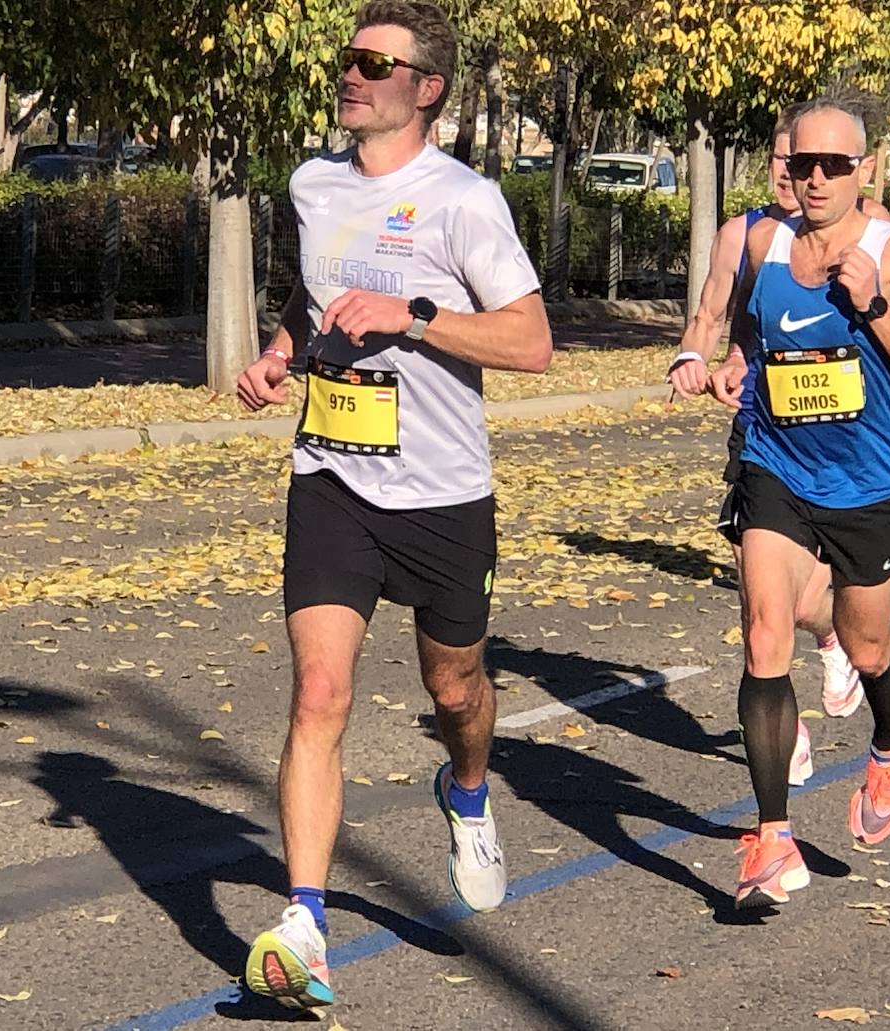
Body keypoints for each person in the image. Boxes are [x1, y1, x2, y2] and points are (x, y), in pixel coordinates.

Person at [235, 0, 550, 1012]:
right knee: (319, 692)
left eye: (378, 63)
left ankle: (465, 789)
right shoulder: (313, 184)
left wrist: (415, 317)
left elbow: (532, 342)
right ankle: (305, 922)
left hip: (443, 493)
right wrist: (284, 349)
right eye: (350, 58)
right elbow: (313, 290)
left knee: (455, 689)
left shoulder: (464, 201)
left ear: (427, 90)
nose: (354, 75)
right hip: (332, 475)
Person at [714, 98, 890, 908]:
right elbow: (750, 332)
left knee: (867, 644)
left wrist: (875, 308)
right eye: (801, 164)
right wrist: (735, 364)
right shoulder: (763, 242)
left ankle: (888, 744)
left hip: (869, 486)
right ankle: (772, 839)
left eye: (834, 166)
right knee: (763, 633)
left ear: (866, 170)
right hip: (777, 469)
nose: (814, 179)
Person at [668, 107, 887, 773]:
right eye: (787, 161)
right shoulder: (748, 234)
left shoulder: (871, 234)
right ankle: (781, 731)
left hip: (844, 446)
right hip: (765, 433)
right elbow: (713, 310)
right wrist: (696, 358)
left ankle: (830, 633)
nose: (801, 175)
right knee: (760, 607)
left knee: (804, 603)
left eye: (819, 163)